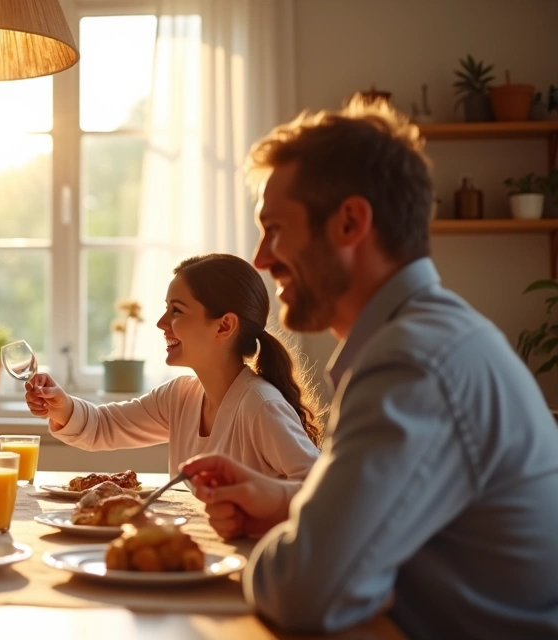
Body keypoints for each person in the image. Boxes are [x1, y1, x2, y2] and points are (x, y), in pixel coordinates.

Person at [182, 101, 558, 637]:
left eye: (276, 229)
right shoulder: (434, 338)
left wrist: (279, 547)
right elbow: (407, 513)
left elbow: (302, 592)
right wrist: (288, 502)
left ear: (351, 222)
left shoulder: (412, 362)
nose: (262, 258)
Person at [23, 253, 321, 480]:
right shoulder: (181, 397)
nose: (161, 323)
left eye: (176, 310)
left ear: (224, 326)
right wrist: (59, 405)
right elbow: (104, 426)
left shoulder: (260, 407)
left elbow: (319, 491)